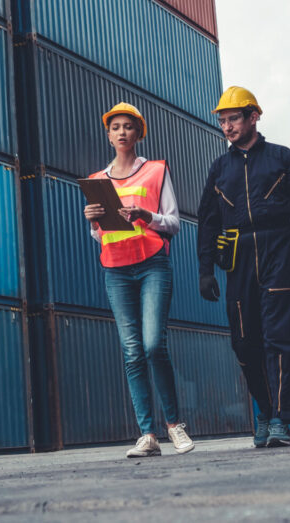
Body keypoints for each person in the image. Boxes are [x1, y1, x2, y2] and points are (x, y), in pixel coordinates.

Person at [197, 86, 290, 448]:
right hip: (238, 257)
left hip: (279, 248)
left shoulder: (282, 158)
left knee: (280, 339)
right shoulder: (219, 168)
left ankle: (281, 420)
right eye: (222, 120)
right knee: (244, 341)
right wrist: (206, 269)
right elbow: (207, 220)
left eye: (233, 118)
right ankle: (265, 413)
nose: (227, 126)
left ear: (254, 116)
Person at [83, 102, 195, 458]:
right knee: (132, 352)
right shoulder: (98, 181)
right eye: (115, 126)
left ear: (138, 133)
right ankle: (147, 435)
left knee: (152, 346)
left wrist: (146, 215)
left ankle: (175, 425)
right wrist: (94, 224)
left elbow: (174, 223)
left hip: (152, 266)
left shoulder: (156, 171)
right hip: (115, 269)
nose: (121, 132)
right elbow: (102, 236)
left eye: (128, 127)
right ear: (108, 134)